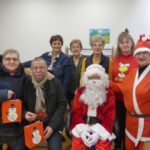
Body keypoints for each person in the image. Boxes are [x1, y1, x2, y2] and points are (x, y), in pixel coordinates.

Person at [16, 57, 67, 150]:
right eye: (35, 68)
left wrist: (52, 126)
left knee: (55, 148)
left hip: (51, 123)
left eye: (42, 67)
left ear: (47, 69)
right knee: (18, 147)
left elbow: (62, 104)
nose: (38, 70)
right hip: (30, 123)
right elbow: (20, 103)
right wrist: (24, 114)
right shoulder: (25, 83)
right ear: (31, 70)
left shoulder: (55, 83)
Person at [111, 34, 150, 150]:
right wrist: (105, 82)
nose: (141, 56)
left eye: (145, 53)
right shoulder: (133, 73)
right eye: (139, 53)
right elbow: (122, 87)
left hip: (146, 125)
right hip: (130, 122)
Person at [70, 64, 115, 150]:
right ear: (86, 79)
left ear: (103, 79)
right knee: (77, 145)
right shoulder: (80, 91)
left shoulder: (109, 93)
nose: (94, 81)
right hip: (83, 124)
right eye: (91, 78)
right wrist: (82, 131)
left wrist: (97, 133)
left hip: (101, 126)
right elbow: (76, 112)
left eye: (97, 77)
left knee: (103, 146)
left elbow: (110, 115)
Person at [112, 29, 138, 150]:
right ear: (119, 45)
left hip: (132, 100)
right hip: (118, 99)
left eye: (127, 42)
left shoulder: (137, 58)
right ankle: (118, 145)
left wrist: (113, 85)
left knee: (130, 126)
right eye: (122, 43)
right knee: (120, 125)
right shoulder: (115, 58)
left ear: (132, 43)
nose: (125, 45)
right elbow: (111, 77)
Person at [0, 49, 26, 150]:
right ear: (2, 61)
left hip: (16, 126)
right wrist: (3, 94)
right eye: (8, 59)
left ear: (19, 61)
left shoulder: (24, 77)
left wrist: (48, 74)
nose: (11, 62)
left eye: (15, 59)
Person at [68, 39, 86, 106]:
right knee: (73, 111)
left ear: (81, 48)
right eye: (73, 47)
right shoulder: (67, 60)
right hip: (71, 92)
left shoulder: (86, 59)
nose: (75, 49)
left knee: (83, 111)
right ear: (70, 49)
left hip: (83, 91)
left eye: (77, 47)